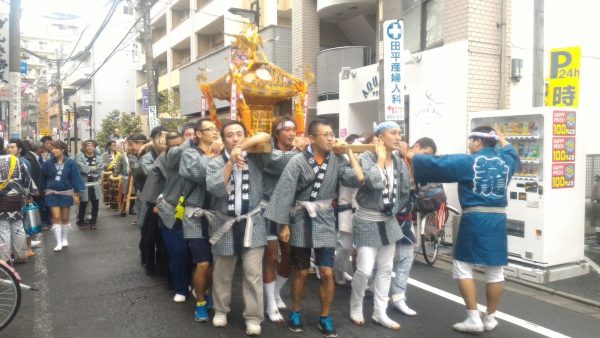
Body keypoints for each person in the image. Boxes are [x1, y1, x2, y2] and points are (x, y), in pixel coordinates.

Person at [400, 125, 519, 333]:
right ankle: (490, 318)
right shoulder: (506, 162)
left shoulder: (469, 162)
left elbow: (439, 164)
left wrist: (409, 155)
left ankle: (473, 318)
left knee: (463, 266)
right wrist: (502, 139)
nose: (469, 144)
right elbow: (512, 152)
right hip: (499, 219)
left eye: (471, 140)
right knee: (495, 271)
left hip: (475, 218)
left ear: (478, 142)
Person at [264, 118, 364, 337]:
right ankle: (296, 312)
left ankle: (325, 316)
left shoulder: (337, 160)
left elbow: (358, 179)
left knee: (327, 272)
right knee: (300, 272)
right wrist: (283, 226)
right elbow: (284, 194)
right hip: (300, 218)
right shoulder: (297, 161)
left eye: (332, 134)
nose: (331, 138)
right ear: (312, 138)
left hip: (326, 218)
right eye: (325, 134)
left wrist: (349, 153)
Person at [205, 121, 271, 336]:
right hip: (225, 222)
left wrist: (242, 148)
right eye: (230, 135)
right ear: (222, 140)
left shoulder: (257, 157)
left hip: (253, 222)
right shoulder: (215, 162)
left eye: (239, 134)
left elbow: (265, 135)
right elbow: (215, 188)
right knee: (223, 273)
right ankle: (221, 310)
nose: (234, 138)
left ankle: (253, 317)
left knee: (253, 274)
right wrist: (230, 162)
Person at [348, 121, 410, 330]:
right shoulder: (365, 157)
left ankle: (379, 311)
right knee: (364, 270)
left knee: (385, 268)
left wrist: (394, 209)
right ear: (379, 137)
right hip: (366, 220)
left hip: (388, 220)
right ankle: (355, 306)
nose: (398, 137)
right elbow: (374, 182)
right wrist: (381, 159)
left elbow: (405, 191)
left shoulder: (400, 162)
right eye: (393, 133)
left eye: (399, 133)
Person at [262, 116, 307, 323]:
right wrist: (302, 151)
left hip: (292, 210)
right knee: (271, 256)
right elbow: (278, 162)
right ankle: (270, 304)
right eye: (286, 129)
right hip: (269, 208)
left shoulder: (300, 152)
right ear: (276, 132)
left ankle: (276, 292)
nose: (291, 133)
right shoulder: (268, 151)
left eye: (294, 130)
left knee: (290, 256)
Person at [179, 118, 220, 322]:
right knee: (202, 263)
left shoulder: (222, 153)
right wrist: (213, 155)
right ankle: (200, 302)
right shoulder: (189, 153)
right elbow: (199, 173)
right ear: (198, 134)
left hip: (216, 215)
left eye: (216, 129)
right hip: (194, 215)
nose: (214, 132)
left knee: (213, 263)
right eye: (209, 129)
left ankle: (207, 293)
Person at [390, 137, 437, 317]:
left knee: (406, 258)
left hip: (406, 217)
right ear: (416, 147)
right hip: (386, 216)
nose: (425, 159)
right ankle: (372, 290)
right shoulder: (394, 156)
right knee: (382, 262)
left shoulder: (418, 166)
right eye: (424, 154)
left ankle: (398, 297)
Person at [156, 131, 193, 303]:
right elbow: (175, 153)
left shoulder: (198, 155)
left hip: (195, 213)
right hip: (171, 212)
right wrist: (192, 141)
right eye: (174, 146)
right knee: (178, 252)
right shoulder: (169, 157)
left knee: (196, 253)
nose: (178, 148)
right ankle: (180, 287)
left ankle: (193, 283)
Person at [41, 141, 85, 252]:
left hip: (66, 193)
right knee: (56, 217)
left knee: (65, 218)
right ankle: (58, 242)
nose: (54, 150)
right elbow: (43, 178)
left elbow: (75, 178)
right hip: (52, 193)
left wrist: (76, 194)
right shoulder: (47, 163)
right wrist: (43, 190)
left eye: (56, 148)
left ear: (63, 150)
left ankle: (64, 239)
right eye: (52, 148)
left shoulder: (70, 163)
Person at [137, 127, 168, 277]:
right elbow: (152, 174)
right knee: (149, 236)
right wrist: (163, 155)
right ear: (153, 140)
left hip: (167, 201)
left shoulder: (171, 154)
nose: (162, 140)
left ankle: (162, 266)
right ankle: (149, 264)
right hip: (150, 201)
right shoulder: (146, 157)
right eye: (159, 137)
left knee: (163, 237)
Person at [0, 154, 36, 263]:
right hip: (17, 200)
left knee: (3, 229)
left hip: (1, 201)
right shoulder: (15, 160)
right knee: (18, 226)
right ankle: (21, 256)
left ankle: (4, 259)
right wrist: (30, 194)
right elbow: (28, 179)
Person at [75, 140, 105, 229]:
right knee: (83, 204)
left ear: (94, 147)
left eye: (91, 146)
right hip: (84, 183)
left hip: (95, 183)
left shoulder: (99, 158)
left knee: (95, 204)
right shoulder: (80, 156)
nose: (89, 147)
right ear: (84, 147)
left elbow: (100, 169)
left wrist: (88, 169)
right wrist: (92, 168)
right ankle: (81, 221)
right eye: (87, 145)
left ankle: (93, 222)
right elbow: (81, 168)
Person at [592, 175, 600, 244]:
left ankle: (598, 238)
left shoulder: (595, 186)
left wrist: (594, 199)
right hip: (597, 203)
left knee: (597, 221)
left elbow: (595, 196)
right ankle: (598, 237)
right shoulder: (596, 186)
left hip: (597, 203)